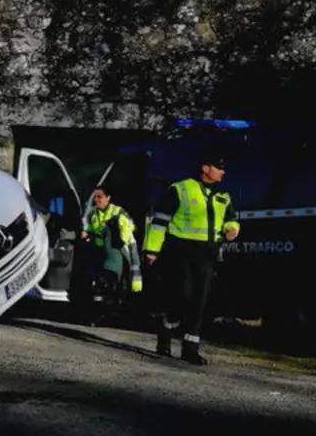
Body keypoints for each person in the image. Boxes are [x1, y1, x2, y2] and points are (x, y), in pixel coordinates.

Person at [143, 156, 239, 365]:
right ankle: (167, 327)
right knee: (182, 296)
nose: (223, 172)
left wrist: (232, 229)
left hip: (208, 254)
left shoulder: (223, 195)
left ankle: (190, 348)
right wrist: (152, 250)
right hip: (180, 251)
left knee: (200, 301)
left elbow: (231, 219)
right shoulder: (180, 189)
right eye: (219, 168)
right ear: (205, 168)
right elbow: (159, 221)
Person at [80, 186, 143, 303]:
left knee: (114, 283)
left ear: (108, 198)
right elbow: (88, 228)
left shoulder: (118, 213)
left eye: (100, 197)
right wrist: (86, 233)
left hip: (117, 251)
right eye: (95, 197)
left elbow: (130, 235)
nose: (96, 200)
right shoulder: (92, 213)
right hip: (99, 252)